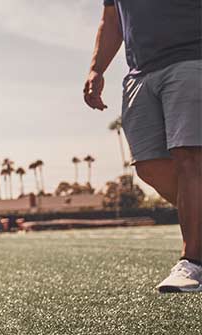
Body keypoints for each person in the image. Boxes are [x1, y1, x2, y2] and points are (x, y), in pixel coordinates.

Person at [83, 0, 201, 292]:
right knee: (149, 166)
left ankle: (193, 262)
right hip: (140, 73)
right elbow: (112, 18)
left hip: (192, 59)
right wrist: (96, 69)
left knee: (189, 156)